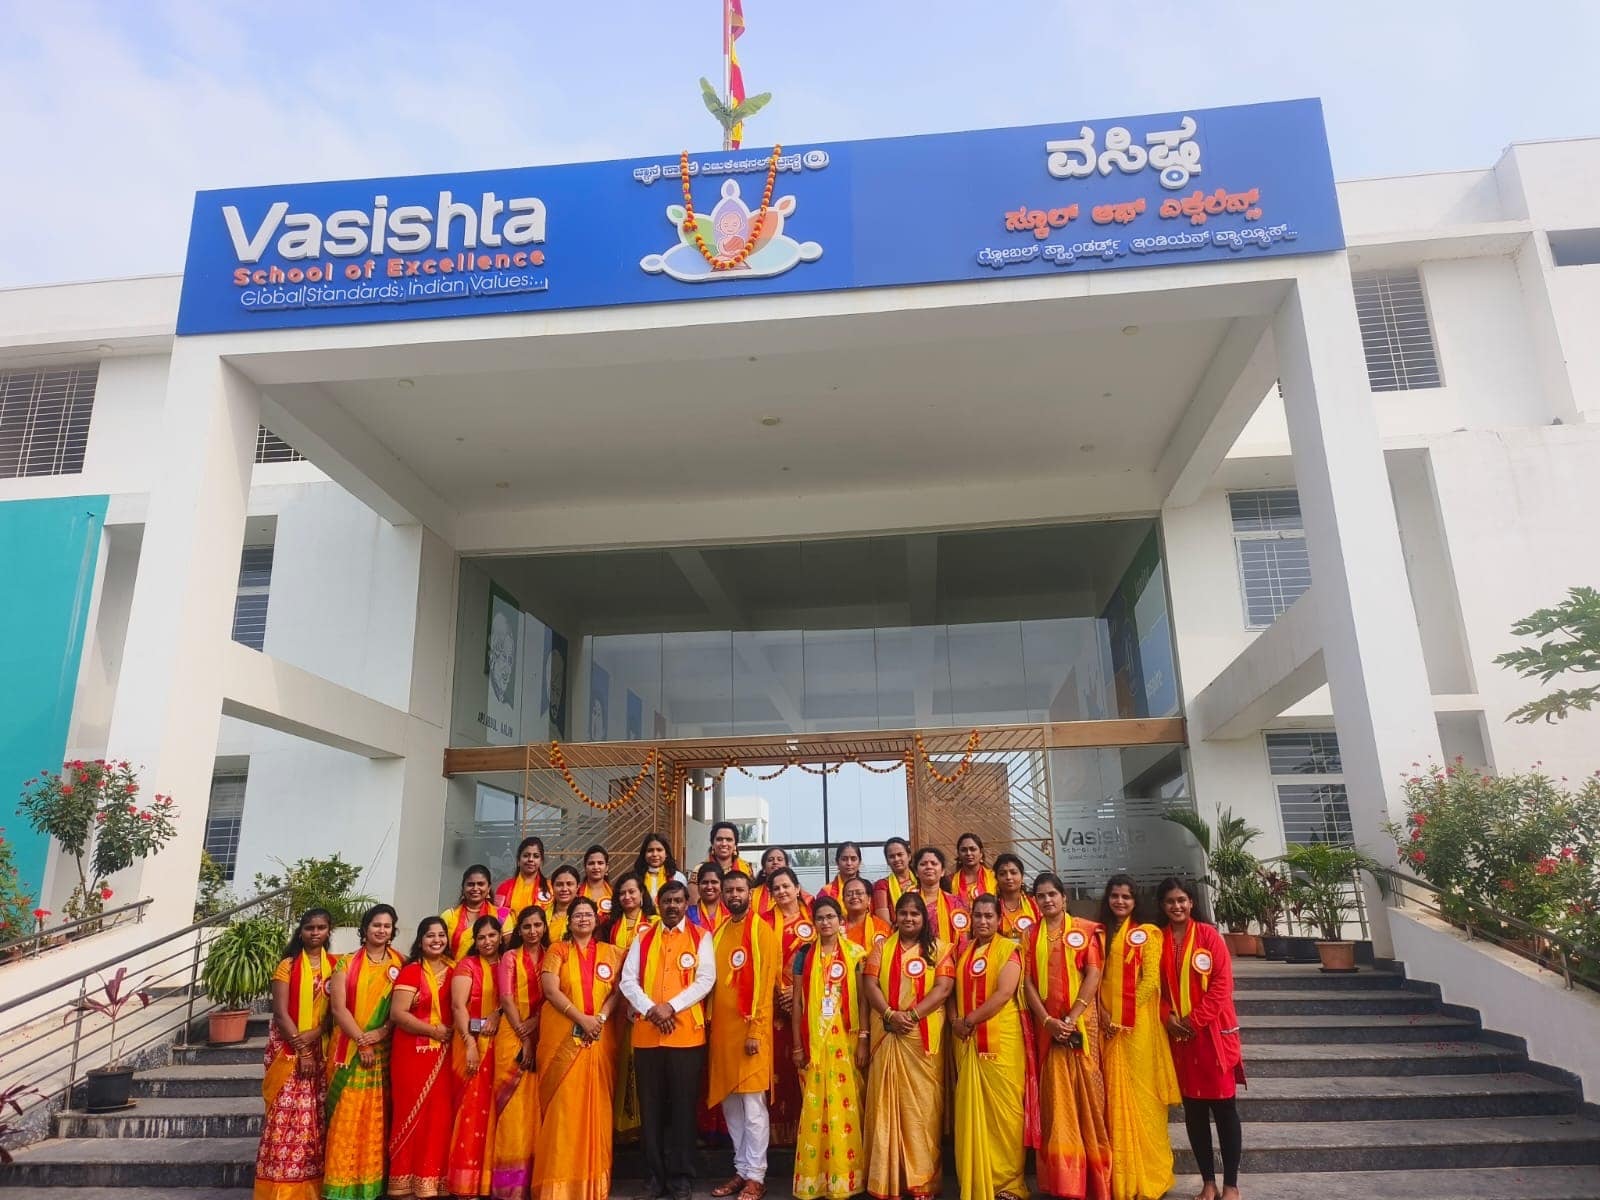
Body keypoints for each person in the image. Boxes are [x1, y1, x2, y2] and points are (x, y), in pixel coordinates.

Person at [619, 879, 717, 1200]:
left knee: (683, 1110)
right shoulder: (643, 938)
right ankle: (653, 1178)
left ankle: (681, 1178)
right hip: (647, 1036)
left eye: (678, 901)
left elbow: (706, 979)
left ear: (686, 903)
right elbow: (628, 981)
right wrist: (652, 1009)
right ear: (658, 905)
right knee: (651, 1111)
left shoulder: (701, 937)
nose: (672, 906)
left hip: (686, 1036)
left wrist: (671, 1007)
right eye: (667, 901)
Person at [862, 893, 956, 1200]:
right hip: (887, 1033)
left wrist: (912, 1016)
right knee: (885, 1106)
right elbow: (870, 985)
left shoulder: (940, 950)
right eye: (903, 913)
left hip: (921, 1040)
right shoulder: (881, 948)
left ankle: (922, 1181)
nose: (909, 918)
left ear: (924, 918)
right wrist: (890, 1014)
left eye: (915, 913)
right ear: (896, 916)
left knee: (923, 1110)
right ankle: (886, 1179)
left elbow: (943, 989)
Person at [1024, 871, 1112, 1200]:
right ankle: (1065, 1182)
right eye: (1041, 896)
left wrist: (1072, 1017)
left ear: (1064, 898)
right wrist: (1048, 1021)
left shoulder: (1085, 930)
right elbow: (1027, 982)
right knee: (1056, 1102)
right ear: (1035, 901)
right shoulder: (1029, 934)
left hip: (1081, 1026)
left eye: (1052, 894)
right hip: (1047, 1029)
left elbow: (1093, 973)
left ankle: (1095, 1180)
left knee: (1088, 1097)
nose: (1047, 900)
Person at [532, 895, 624, 1200]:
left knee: (596, 1109)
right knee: (562, 1111)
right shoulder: (557, 950)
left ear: (596, 920)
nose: (583, 919)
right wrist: (581, 1018)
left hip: (599, 1037)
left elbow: (617, 993)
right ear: (568, 922)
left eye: (588, 914)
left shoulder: (611, 953)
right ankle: (557, 1186)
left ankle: (591, 1184)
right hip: (562, 1037)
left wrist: (600, 1018)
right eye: (577, 915)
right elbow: (550, 990)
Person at [1158, 877, 1244, 1200]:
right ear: (1162, 906)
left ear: (1191, 902)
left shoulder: (1209, 936)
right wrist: (1166, 1015)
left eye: (1181, 900)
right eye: (1170, 901)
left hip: (1213, 1036)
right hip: (1181, 1040)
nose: (1176, 906)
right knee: (1194, 1114)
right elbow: (1154, 986)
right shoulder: (1159, 939)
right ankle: (1208, 1182)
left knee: (1225, 1112)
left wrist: (1193, 1021)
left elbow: (1222, 985)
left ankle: (1231, 1185)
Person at [1099, 875, 1180, 1200]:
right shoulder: (1100, 933)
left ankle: (1150, 1174)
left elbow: (1151, 981)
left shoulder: (1147, 933)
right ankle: (1122, 1176)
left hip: (1139, 1027)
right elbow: (1095, 977)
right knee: (1115, 1099)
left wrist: (1124, 1015)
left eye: (1126, 897)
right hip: (1107, 1026)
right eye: (1115, 896)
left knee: (1143, 1097)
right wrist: (1103, 1013)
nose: (1120, 902)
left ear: (1135, 901)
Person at [948, 894, 1027, 1200]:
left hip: (1001, 1040)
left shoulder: (1009, 950)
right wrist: (956, 1021)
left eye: (988, 916)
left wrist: (969, 1020)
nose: (982, 921)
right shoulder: (964, 951)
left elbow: (1004, 993)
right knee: (971, 1111)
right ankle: (976, 1180)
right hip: (967, 1040)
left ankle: (1009, 1184)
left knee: (1005, 1114)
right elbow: (952, 991)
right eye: (978, 915)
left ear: (999, 919)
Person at [791, 895, 869, 1200]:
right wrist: (798, 1046)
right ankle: (815, 1180)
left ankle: (846, 1178)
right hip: (814, 1042)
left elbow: (863, 1000)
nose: (825, 922)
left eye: (830, 917)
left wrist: (863, 1038)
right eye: (820, 918)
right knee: (815, 1109)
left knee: (847, 1107)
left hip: (846, 1041)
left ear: (840, 921)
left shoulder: (855, 954)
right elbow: (797, 1002)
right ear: (814, 923)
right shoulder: (804, 955)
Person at [707, 870, 779, 1200]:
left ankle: (756, 1176)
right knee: (731, 1106)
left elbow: (765, 987)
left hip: (751, 1033)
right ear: (722, 894)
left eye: (740, 889)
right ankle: (741, 1168)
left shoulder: (762, 931)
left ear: (750, 892)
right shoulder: (720, 931)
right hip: (723, 1034)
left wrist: (756, 1031)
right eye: (729, 890)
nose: (734, 894)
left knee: (753, 1107)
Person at [254, 908, 334, 1200]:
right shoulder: (287, 966)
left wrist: (317, 1034)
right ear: (300, 931)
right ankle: (280, 1190)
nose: (315, 933)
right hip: (288, 1049)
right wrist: (303, 1049)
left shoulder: (336, 966)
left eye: (321, 927)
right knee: (285, 1119)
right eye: (310, 928)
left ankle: (312, 1188)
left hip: (322, 1047)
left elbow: (336, 1010)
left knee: (314, 1120)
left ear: (329, 931)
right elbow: (280, 1013)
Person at [324, 903, 402, 1200]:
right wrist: (362, 1040)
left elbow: (401, 1008)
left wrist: (382, 1032)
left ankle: (370, 1185)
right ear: (365, 929)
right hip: (350, 1049)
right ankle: (340, 1187)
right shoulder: (345, 964)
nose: (381, 930)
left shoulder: (401, 964)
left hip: (384, 1050)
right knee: (346, 1117)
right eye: (376, 925)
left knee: (375, 1118)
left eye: (387, 926)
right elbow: (338, 1008)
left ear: (393, 930)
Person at [389, 917, 456, 1199]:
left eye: (441, 935)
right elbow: (398, 1014)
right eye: (430, 935)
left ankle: (434, 1180)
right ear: (420, 940)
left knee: (440, 1116)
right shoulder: (411, 971)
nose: (436, 940)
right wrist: (432, 1031)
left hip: (446, 1054)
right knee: (410, 1113)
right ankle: (404, 1180)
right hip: (412, 1054)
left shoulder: (455, 970)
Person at [491, 906, 549, 1200]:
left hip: (544, 1032)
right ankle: (509, 1188)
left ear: (545, 927)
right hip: (512, 1035)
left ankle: (535, 1181)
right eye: (526, 926)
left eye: (537, 925)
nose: (532, 931)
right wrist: (525, 1037)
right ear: (519, 930)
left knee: (538, 1109)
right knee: (513, 1113)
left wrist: (535, 1025)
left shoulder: (553, 955)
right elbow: (506, 998)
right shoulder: (510, 957)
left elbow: (553, 995)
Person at [448, 914, 504, 1198]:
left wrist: (497, 1013)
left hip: (502, 1045)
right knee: (471, 1109)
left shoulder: (509, 963)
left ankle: (492, 1181)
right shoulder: (467, 965)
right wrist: (470, 1043)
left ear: (501, 936)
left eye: (492, 935)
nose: (487, 941)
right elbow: (458, 1007)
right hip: (470, 1043)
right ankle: (466, 1184)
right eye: (481, 937)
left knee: (497, 1108)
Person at [763, 866, 815, 1146]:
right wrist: (778, 993)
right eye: (776, 888)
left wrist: (796, 994)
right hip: (773, 1007)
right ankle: (776, 1136)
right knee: (777, 1069)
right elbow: (758, 962)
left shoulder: (815, 919)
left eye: (786, 886)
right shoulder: (763, 922)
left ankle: (807, 1133)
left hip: (807, 1005)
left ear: (797, 888)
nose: (782, 891)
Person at [605, 873, 658, 1142]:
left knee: (645, 1064)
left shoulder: (655, 924)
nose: (627, 897)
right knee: (620, 1060)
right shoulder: (610, 926)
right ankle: (621, 1126)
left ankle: (646, 1126)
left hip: (647, 1003)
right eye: (622, 893)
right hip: (617, 1003)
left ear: (642, 894)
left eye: (632, 892)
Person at [443, 865, 511, 963]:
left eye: (480, 884)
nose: (475, 888)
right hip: (455, 970)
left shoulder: (502, 914)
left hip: (492, 970)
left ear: (488, 888)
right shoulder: (449, 915)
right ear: (463, 888)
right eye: (470, 884)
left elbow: (508, 950)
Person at [913, 846, 970, 946]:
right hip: (915, 954)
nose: (929, 867)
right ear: (916, 872)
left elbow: (963, 939)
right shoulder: (909, 902)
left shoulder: (955, 903)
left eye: (934, 863)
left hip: (949, 954)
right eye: (923, 864)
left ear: (942, 871)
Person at [495, 837, 552, 913]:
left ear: (541, 861)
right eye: (526, 855)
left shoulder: (550, 888)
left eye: (536, 856)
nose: (530, 859)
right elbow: (497, 916)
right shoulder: (504, 887)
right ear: (518, 860)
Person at [633, 831, 688, 904]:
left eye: (659, 850)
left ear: (666, 854)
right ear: (644, 854)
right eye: (650, 850)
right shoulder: (635, 878)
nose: (655, 854)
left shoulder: (677, 877)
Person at [872, 837, 916, 927]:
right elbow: (883, 920)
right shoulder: (882, 885)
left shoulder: (920, 881)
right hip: (895, 932)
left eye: (900, 854)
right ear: (887, 861)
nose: (896, 859)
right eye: (891, 856)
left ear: (909, 856)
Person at [994, 853, 1039, 939]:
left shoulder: (1035, 904)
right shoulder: (992, 906)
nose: (1008, 877)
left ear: (1022, 877)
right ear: (996, 879)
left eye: (1013, 873)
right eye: (1002, 874)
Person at [950, 833, 998, 907]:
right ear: (958, 854)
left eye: (973, 849)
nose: (968, 853)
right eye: (963, 850)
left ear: (981, 853)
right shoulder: (950, 880)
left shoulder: (994, 877)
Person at [842, 877, 890, 951]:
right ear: (843, 901)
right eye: (849, 894)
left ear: (869, 899)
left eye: (859, 893)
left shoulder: (880, 926)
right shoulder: (836, 925)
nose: (854, 896)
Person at [688, 862, 728, 936]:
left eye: (714, 882)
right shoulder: (687, 915)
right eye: (705, 882)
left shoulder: (730, 914)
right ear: (698, 886)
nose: (709, 887)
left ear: (722, 886)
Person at [547, 864, 581, 941]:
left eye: (569, 884)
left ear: (577, 887)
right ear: (552, 887)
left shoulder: (585, 915)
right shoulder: (543, 914)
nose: (564, 889)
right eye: (559, 884)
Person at [581, 845, 615, 917]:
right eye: (591, 863)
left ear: (607, 867)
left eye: (600, 863)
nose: (596, 867)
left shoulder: (615, 894)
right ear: (585, 867)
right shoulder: (576, 893)